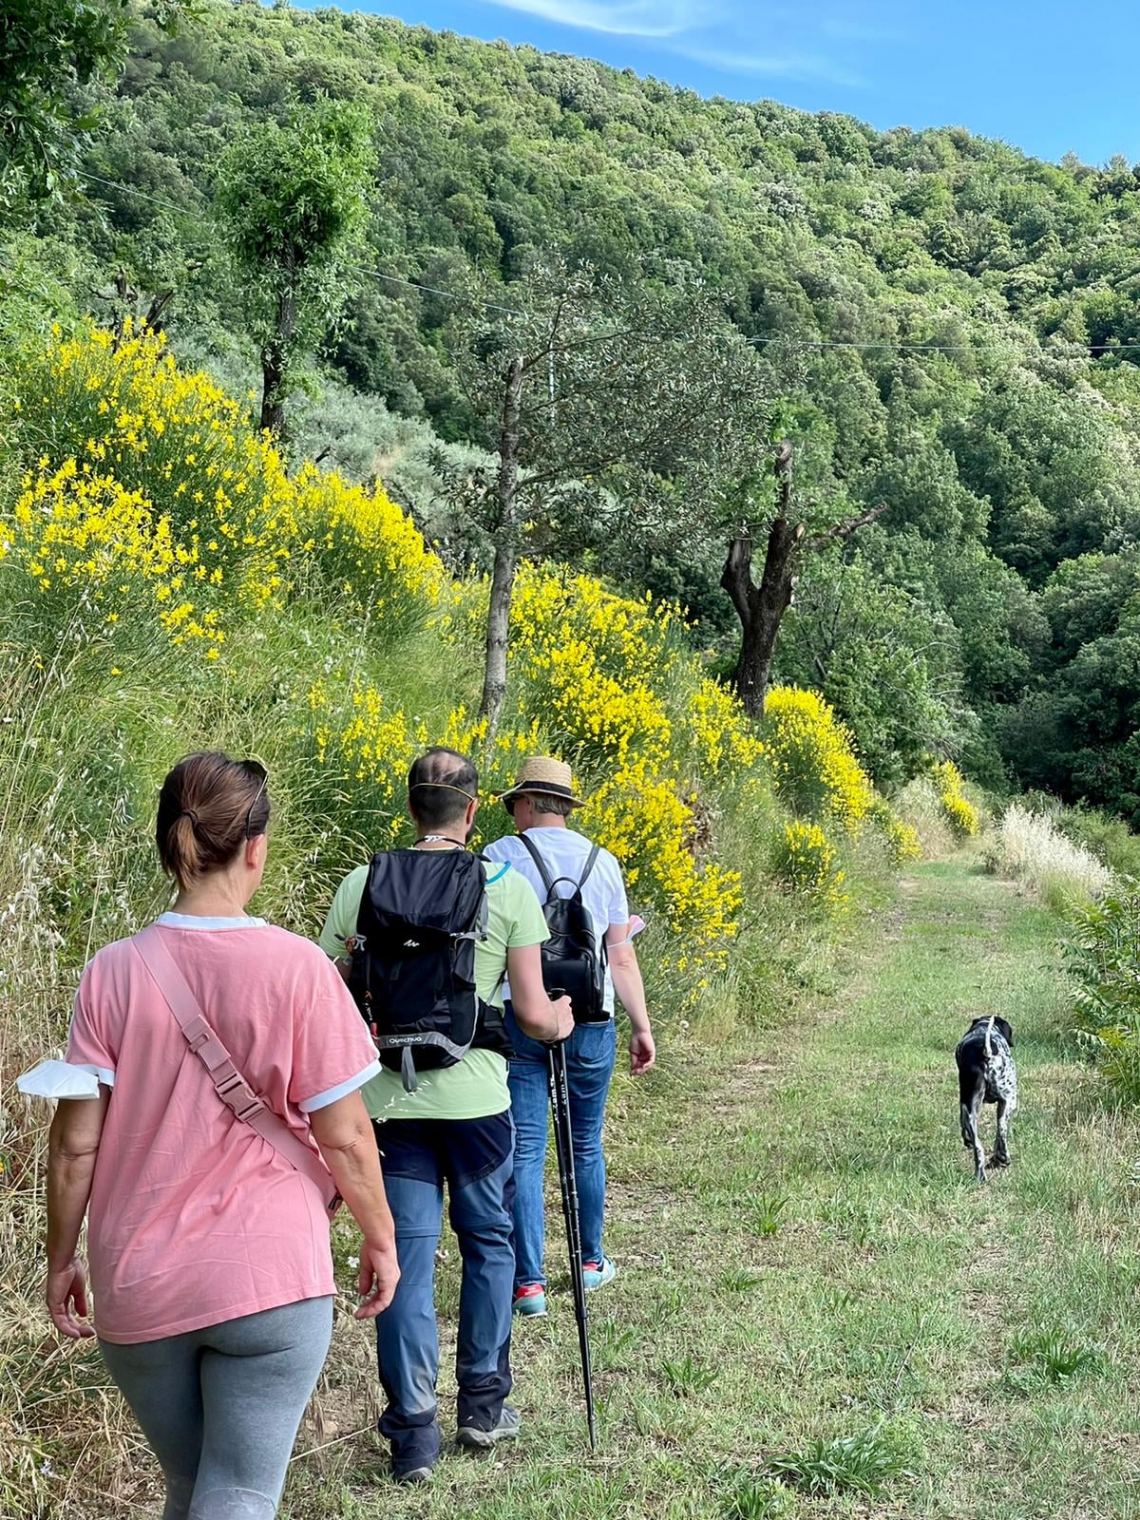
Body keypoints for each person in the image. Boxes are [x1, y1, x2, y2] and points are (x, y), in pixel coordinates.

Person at [43, 751, 400, 1520]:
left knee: (189, 1486)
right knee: (237, 1493)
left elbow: (75, 1146)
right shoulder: (300, 969)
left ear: (169, 843)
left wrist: (61, 1258)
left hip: (138, 1281)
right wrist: (381, 1238)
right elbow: (344, 1138)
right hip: (268, 1277)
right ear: (255, 847)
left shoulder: (111, 972)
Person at [318, 746, 574, 1485]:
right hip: (480, 1105)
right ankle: (484, 1407)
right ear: (470, 812)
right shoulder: (507, 886)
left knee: (403, 1264)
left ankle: (413, 1436)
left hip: (387, 1108)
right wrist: (559, 1018)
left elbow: (325, 991)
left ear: (409, 809)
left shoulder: (363, 883)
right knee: (489, 1245)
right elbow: (529, 1015)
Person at [484, 756, 655, 1318]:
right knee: (584, 1141)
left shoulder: (498, 859)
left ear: (529, 803)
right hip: (591, 1017)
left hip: (520, 1015)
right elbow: (620, 955)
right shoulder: (602, 862)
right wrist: (642, 1025)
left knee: (526, 1148)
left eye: (514, 804)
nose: (512, 814)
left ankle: (528, 1283)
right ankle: (588, 1260)